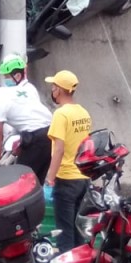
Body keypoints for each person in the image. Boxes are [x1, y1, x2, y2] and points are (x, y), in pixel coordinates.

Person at [44, 70, 92, 252]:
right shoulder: (83, 113)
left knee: (64, 231)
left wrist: (50, 178)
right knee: (79, 229)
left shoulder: (61, 115)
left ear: (58, 90)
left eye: (53, 86)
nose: (52, 90)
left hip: (65, 180)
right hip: (83, 177)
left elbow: (59, 149)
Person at [0, 53, 53, 182]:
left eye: (6, 76)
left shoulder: (1, 96)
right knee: (37, 182)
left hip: (36, 139)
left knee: (22, 183)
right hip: (51, 134)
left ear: (16, 75)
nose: (5, 79)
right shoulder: (30, 88)